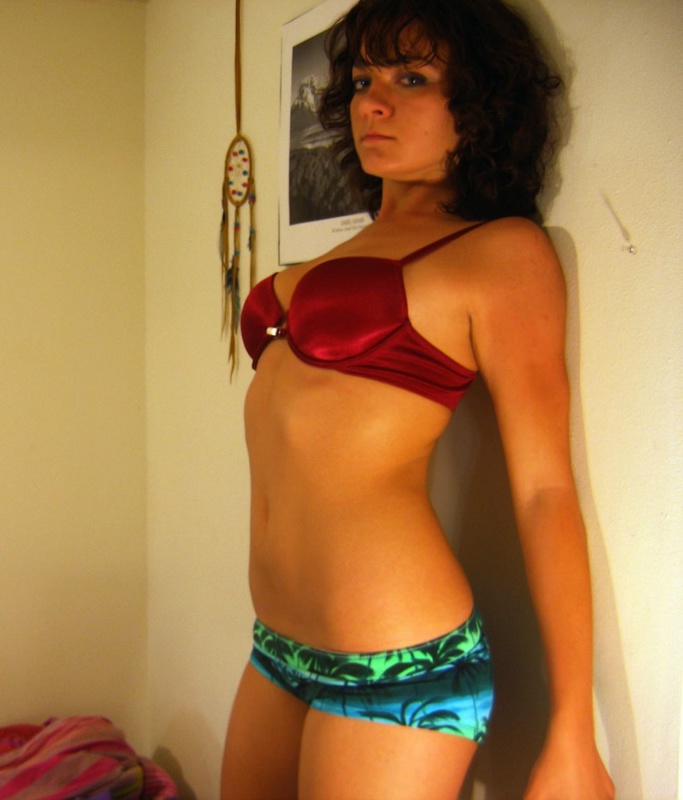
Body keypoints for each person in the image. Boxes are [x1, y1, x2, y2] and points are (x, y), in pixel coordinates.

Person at [221, 0, 615, 798]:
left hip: (398, 661)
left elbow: (543, 491)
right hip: (277, 646)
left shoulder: (499, 253)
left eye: (411, 79)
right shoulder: (345, 251)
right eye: (364, 79)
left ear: (481, 102)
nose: (372, 102)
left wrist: (573, 729)